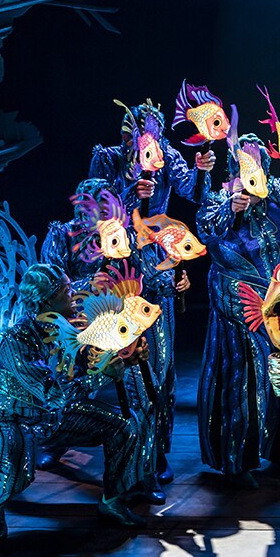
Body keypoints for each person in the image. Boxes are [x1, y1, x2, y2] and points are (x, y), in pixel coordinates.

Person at [40, 177, 184, 503]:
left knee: (142, 397)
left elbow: (149, 276)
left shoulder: (126, 237)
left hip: (121, 331)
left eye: (110, 207)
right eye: (98, 207)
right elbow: (50, 284)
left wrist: (174, 283)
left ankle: (145, 472)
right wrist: (88, 283)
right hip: (81, 330)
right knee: (69, 389)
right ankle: (55, 441)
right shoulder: (64, 235)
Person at [0, 263, 144, 541]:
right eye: (67, 291)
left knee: (124, 426)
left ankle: (113, 500)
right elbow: (53, 394)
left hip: (54, 417)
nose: (74, 296)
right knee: (16, 474)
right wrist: (102, 377)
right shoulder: (17, 340)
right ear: (47, 300)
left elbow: (85, 369)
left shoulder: (66, 330)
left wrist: (126, 359)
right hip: (16, 419)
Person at [90, 103, 207, 483]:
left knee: (160, 363)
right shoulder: (108, 159)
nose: (143, 141)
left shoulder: (167, 156)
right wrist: (129, 193)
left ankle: (155, 452)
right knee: (115, 360)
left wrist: (201, 168)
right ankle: (113, 448)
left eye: (150, 135)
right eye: (135, 133)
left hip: (158, 259)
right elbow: (94, 207)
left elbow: (191, 190)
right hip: (118, 262)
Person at [193, 134, 280, 487]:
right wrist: (230, 209)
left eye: (257, 164)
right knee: (243, 380)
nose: (251, 173)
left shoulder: (276, 193)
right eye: (243, 165)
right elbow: (205, 230)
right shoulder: (220, 199)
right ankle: (237, 461)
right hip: (237, 303)